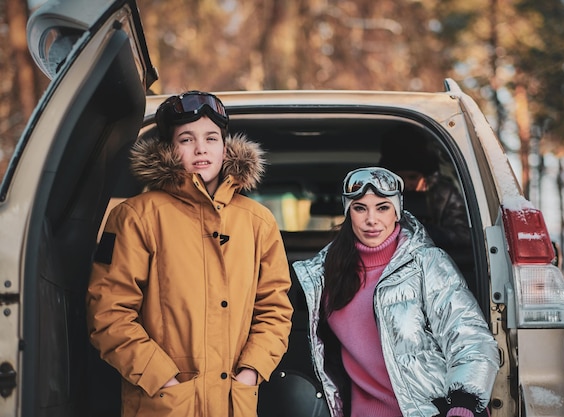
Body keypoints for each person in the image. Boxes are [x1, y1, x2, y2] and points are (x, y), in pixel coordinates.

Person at [86, 90, 293, 417]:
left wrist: (251, 370)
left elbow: (275, 309)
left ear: (225, 147)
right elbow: (109, 313)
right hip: (164, 403)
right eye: (186, 139)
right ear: (168, 148)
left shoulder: (258, 222)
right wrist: (161, 376)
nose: (201, 148)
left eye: (211, 137)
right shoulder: (137, 217)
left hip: (233, 403)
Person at [292, 167, 499, 417]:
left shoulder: (427, 263)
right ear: (348, 213)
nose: (372, 219)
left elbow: (470, 338)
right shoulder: (322, 275)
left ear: (397, 211)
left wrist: (463, 403)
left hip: (433, 412)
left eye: (382, 207)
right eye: (360, 208)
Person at [379, 126, 470, 249]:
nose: (406, 184)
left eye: (412, 177)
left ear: (425, 177)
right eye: (400, 178)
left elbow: (464, 236)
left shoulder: (444, 194)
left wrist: (424, 232)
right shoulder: (380, 195)